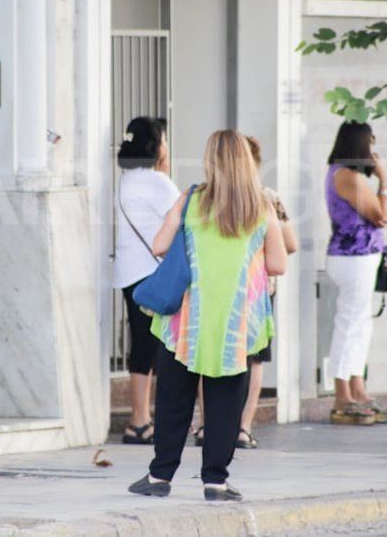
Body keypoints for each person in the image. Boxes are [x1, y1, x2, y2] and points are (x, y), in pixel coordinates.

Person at [128, 130, 288, 502]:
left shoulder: (191, 199)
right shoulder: (261, 207)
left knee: (173, 400)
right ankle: (215, 481)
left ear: (210, 161)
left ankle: (159, 477)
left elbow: (159, 245)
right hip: (237, 323)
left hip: (187, 320)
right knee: (226, 403)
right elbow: (278, 263)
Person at [192, 136, 298, 450]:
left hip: (222, 290)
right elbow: (288, 248)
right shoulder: (266, 199)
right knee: (250, 358)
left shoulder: (204, 198)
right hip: (257, 292)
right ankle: (240, 428)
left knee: (211, 354)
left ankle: (209, 425)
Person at [323, 122, 387, 426]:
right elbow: (381, 215)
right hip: (353, 258)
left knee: (360, 324)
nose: (374, 152)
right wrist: (385, 179)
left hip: (360, 258)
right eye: (371, 144)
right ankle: (342, 394)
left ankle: (357, 387)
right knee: (349, 323)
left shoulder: (344, 174)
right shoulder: (346, 176)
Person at [114, 116, 179, 445]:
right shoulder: (156, 183)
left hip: (129, 274)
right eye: (163, 140)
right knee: (153, 346)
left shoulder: (128, 180)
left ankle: (140, 418)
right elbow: (183, 213)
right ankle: (139, 419)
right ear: (156, 145)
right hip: (152, 274)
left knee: (141, 342)